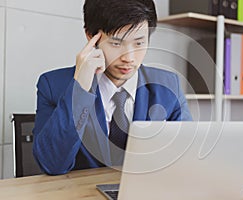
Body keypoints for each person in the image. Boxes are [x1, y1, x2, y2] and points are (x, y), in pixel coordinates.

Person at [33, 0, 192, 175]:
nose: (129, 58)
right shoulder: (53, 85)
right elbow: (52, 165)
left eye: (139, 43)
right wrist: (80, 89)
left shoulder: (169, 85)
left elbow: (186, 159)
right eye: (116, 43)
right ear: (90, 36)